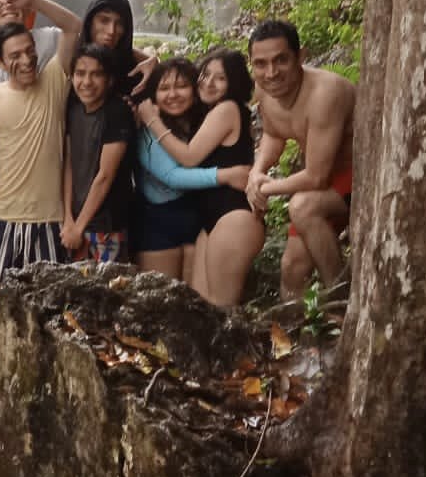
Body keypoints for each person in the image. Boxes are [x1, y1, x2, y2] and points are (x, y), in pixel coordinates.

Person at [0, 0, 82, 322]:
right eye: (15, 55)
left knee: (49, 310)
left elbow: (73, 27)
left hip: (49, 220)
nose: (26, 60)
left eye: (29, 51)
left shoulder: (54, 80)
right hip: (0, 216)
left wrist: (32, 1)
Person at [136, 48, 264, 305]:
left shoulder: (227, 108)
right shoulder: (207, 114)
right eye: (205, 75)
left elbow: (189, 157)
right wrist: (151, 60)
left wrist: (151, 119)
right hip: (208, 219)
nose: (209, 83)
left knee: (220, 308)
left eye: (221, 78)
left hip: (233, 216)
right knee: (201, 307)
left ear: (234, 83)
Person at [245, 19, 357, 297]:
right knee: (292, 268)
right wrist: (257, 171)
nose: (271, 73)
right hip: (328, 183)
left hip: (362, 177)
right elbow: (273, 133)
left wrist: (265, 188)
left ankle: (341, 298)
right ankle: (301, 323)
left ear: (301, 56)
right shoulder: (265, 90)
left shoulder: (325, 94)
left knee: (303, 206)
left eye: (281, 60)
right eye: (261, 64)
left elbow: (316, 177)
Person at [61, 44, 135, 264]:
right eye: (80, 73)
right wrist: (68, 218)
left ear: (109, 80)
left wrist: (79, 226)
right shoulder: (73, 109)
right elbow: (69, 164)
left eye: (96, 74)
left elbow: (105, 175)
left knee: (108, 284)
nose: (87, 82)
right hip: (73, 224)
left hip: (106, 225)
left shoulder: (117, 112)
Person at [81, 0, 158, 98]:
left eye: (120, 23)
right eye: (104, 20)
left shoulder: (135, 70)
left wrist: (158, 67)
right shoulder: (71, 57)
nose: (112, 31)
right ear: (90, 22)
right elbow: (70, 25)